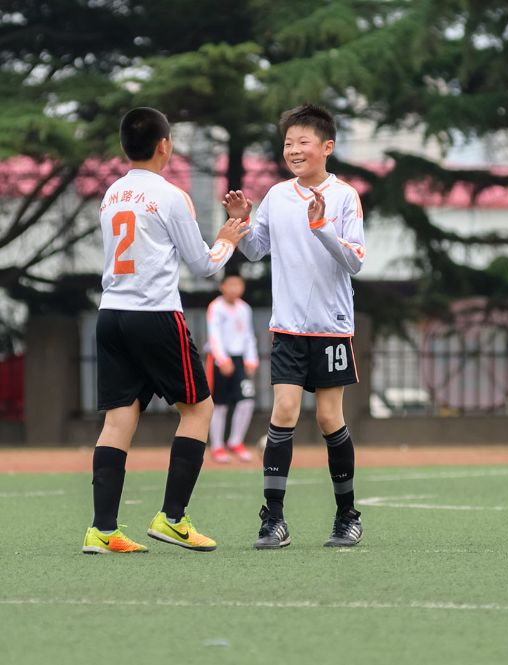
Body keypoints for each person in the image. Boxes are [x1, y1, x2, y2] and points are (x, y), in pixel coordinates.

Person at [83, 107, 248, 554]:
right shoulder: (171, 196)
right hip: (154, 314)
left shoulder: (111, 195)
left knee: (119, 418)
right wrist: (227, 240)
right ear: (164, 146)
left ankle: (102, 530)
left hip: (111, 314)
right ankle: (172, 519)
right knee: (198, 410)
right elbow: (203, 265)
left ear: (125, 147)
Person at [223, 103, 365, 549]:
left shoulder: (344, 196)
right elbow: (255, 250)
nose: (294, 150)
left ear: (327, 146)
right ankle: (274, 518)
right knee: (282, 412)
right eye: (288, 143)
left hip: (331, 327)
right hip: (287, 327)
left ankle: (347, 516)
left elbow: (355, 261)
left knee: (328, 417)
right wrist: (242, 220)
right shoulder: (278, 195)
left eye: (304, 142)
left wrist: (321, 226)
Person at [205, 274, 259, 463]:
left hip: (240, 359)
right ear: (222, 287)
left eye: (238, 285)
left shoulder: (245, 308)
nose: (235, 289)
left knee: (247, 401)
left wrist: (251, 359)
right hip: (220, 360)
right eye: (231, 285)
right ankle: (217, 446)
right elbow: (214, 334)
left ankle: (236, 442)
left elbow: (249, 335)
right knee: (220, 404)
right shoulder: (216, 307)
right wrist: (222, 359)